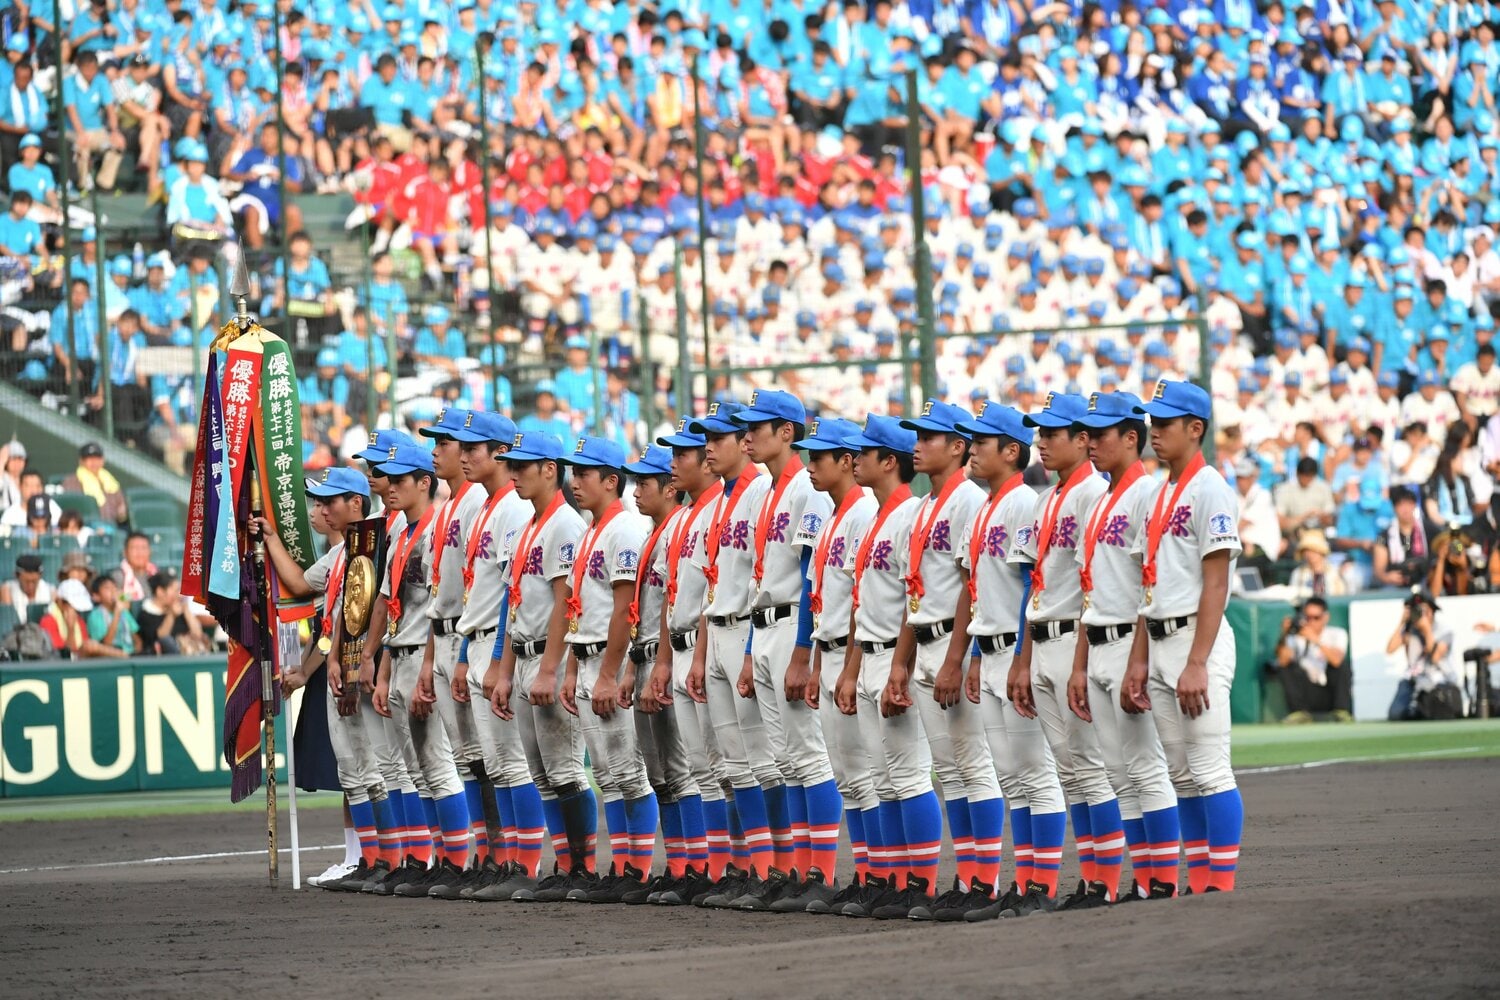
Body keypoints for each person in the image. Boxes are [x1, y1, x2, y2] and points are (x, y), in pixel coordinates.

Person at [947, 401, 1069, 922]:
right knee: (1013, 777)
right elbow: (981, 592)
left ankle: (1041, 885)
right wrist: (975, 653)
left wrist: (1021, 657)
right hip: (990, 650)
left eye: (982, 441)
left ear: (1010, 451)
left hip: (1017, 651)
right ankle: (1023, 884)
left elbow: (1027, 587)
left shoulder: (1023, 502)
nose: (972, 448)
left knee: (1035, 774)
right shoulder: (988, 506)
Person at [1123, 379, 1245, 894]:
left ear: (1196, 429)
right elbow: (1146, 585)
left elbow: (1215, 583)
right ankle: (1200, 884)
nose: (1155, 432)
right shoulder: (1158, 491)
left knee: (1210, 769)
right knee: (1181, 775)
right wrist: (1139, 659)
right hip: (1159, 637)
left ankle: (1221, 885)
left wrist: (1197, 662)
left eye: (1166, 423)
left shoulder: (1210, 486)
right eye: (1153, 422)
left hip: (1199, 639)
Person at [261, 465, 399, 893]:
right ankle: (370, 860)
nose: (320, 509)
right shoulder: (340, 555)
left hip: (374, 670)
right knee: (356, 771)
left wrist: (355, 662)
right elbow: (304, 589)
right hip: (343, 667)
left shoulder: (376, 547)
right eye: (318, 502)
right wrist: (268, 538)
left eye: (328, 501)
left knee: (390, 771)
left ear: (356, 503)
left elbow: (381, 612)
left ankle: (400, 858)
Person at [726, 390, 838, 910]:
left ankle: (821, 874)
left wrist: (801, 651)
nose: (747, 435)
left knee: (808, 756)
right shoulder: (766, 491)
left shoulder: (806, 491)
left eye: (759, 426)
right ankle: (796, 874)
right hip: (764, 626)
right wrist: (750, 648)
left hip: (795, 623)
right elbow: (757, 579)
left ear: (788, 431)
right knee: (785, 761)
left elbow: (813, 575)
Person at [1070, 390, 1182, 902]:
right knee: (1117, 773)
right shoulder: (1100, 499)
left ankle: (1163, 880)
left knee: (1145, 767)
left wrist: (1140, 657)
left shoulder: (1147, 494)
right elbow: (1087, 588)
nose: (1090, 442)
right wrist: (1079, 662)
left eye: (1101, 434)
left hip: (1129, 642)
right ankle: (1143, 880)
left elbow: (1149, 583)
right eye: (1087, 433)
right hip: (1097, 641)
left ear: (1131, 437)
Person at [891, 399, 1000, 919]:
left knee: (975, 769)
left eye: (929, 437)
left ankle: (987, 883)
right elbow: (914, 595)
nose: (918, 444)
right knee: (950, 773)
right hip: (925, 641)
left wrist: (960, 658)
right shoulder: (921, 507)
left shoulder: (968, 502)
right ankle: (968, 878)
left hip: (954, 645)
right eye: (916, 435)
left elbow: (971, 587)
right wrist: (903, 663)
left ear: (958, 447)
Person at [1008, 392, 1112, 911]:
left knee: (1091, 766)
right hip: (1044, 637)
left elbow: (1098, 582)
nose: (1041, 442)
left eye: (1052, 433)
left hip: (1078, 638)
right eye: (1039, 433)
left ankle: (1106, 884)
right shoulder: (1046, 499)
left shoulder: (1096, 493)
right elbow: (1035, 584)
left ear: (1083, 439)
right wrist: (1023, 658)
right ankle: (1091, 881)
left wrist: (1083, 658)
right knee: (1070, 770)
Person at [484, 431, 595, 902]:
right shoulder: (530, 525)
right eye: (512, 465)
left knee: (566, 770)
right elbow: (513, 604)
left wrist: (550, 668)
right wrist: (506, 670)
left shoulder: (565, 524)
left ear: (551, 469)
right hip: (524, 656)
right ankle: (566, 865)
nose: (514, 473)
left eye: (523, 467)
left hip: (550, 659)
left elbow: (564, 603)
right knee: (544, 775)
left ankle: (583, 870)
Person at [831, 413, 935, 920]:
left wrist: (900, 665)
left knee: (909, 777)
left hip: (899, 654)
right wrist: (851, 669)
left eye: (864, 454)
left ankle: (920, 884)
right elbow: (859, 604)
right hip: (869, 653)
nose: (855, 460)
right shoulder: (875, 517)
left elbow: (916, 600)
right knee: (882, 777)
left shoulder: (911, 515)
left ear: (888, 462)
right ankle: (893, 882)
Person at [362, 442, 473, 898]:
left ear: (423, 482)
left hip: (425, 652)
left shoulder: (435, 530)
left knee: (439, 764)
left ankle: (455, 861)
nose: (388, 486)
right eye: (386, 478)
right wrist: (378, 662)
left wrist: (425, 665)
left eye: (399, 479)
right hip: (400, 652)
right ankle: (424, 860)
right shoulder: (401, 534)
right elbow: (389, 606)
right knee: (416, 767)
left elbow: (437, 606)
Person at [452, 411, 550, 903]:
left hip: (500, 641)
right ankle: (502, 859)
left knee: (512, 765)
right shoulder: (489, 506)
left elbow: (515, 597)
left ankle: (522, 864)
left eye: (473, 448)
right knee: (488, 763)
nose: (464, 455)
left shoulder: (512, 508)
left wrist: (496, 660)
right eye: (461, 447)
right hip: (479, 640)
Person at [686, 401, 779, 910]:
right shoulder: (718, 503)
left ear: (744, 441)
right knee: (732, 766)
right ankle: (750, 871)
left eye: (718, 438)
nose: (709, 448)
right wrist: (700, 656)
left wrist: (742, 649)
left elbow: (760, 582)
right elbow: (709, 587)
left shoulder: (763, 492)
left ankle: (772, 871)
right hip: (716, 632)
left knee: (763, 761)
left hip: (749, 632)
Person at [558, 435, 656, 901]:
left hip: (612, 660)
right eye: (574, 473)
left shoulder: (625, 530)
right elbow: (582, 608)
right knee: (609, 774)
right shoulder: (590, 530)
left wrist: (607, 673)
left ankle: (637, 870)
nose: (575, 482)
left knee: (629, 771)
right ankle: (622, 867)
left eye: (585, 474)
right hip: (588, 655)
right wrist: (576, 668)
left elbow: (625, 611)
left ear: (611, 480)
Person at [647, 416, 733, 904]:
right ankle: (710, 869)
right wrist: (664, 660)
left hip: (713, 643)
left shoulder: (723, 507)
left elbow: (710, 592)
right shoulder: (684, 518)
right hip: (683, 648)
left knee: (732, 768)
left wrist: (693, 655)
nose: (674, 462)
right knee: (703, 769)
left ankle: (738, 869)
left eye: (683, 453)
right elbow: (673, 596)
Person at [622, 443, 710, 905]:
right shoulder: (657, 533)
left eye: (645, 483)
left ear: (670, 489)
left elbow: (682, 603)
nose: (637, 491)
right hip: (649, 655)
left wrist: (662, 663)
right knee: (661, 774)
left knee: (683, 770)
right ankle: (680, 867)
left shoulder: (680, 527)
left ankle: (697, 866)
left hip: (671, 654)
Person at [412, 408, 489, 898]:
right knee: (466, 761)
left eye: (445, 441)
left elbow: (481, 590)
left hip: (469, 639)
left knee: (486, 760)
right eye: (436, 441)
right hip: (442, 637)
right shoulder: (451, 505)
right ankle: (475, 858)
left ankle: (496, 859)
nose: (437, 449)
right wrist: (429, 658)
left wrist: (457, 653)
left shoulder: (479, 500)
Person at [1273, 597, 1352, 723]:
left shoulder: (1337, 633)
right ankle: (1299, 712)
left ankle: (1341, 711)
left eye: (1316, 618)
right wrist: (1285, 634)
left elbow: (1337, 660)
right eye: (1307, 617)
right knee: (1286, 667)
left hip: (1330, 690)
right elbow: (1282, 661)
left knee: (1342, 666)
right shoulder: (1295, 636)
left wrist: (1315, 639)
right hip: (1308, 692)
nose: (1311, 622)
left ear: (1325, 617)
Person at [1386, 591, 1461, 721]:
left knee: (1435, 714)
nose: (1420, 614)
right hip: (1414, 681)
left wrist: (1426, 631)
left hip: (1439, 681)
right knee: (1396, 714)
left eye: (1424, 610)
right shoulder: (1409, 629)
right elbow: (1390, 649)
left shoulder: (1444, 630)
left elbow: (1435, 657)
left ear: (1432, 611)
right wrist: (1402, 622)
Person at [38, 578, 124, 658]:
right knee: (90, 646)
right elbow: (65, 656)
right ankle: (123, 655)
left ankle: (123, 656)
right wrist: (70, 629)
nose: (74, 611)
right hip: (62, 665)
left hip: (83, 661)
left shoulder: (79, 621)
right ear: (60, 602)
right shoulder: (48, 621)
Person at [136, 569, 210, 655]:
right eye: (175, 590)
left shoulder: (180, 610)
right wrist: (171, 616)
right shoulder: (145, 614)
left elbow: (198, 634)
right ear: (160, 591)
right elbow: (161, 638)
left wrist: (186, 610)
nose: (179, 594)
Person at [1373, 486, 1430, 590]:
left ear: (1414, 505)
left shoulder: (1428, 529)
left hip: (1425, 580)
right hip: (1395, 584)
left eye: (1409, 504)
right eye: (1400, 505)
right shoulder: (1383, 536)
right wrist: (1386, 577)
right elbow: (1378, 570)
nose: (1405, 509)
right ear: (1394, 508)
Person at [62, 441, 128, 525]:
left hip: (113, 525)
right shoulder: (72, 481)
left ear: (103, 460)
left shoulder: (109, 480)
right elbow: (72, 508)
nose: (94, 462)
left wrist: (122, 512)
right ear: (81, 461)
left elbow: (121, 504)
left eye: (97, 458)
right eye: (89, 459)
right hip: (86, 525)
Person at [85, 573, 140, 656]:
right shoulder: (95, 615)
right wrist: (117, 613)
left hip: (130, 655)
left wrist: (135, 653)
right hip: (110, 657)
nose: (113, 591)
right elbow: (106, 644)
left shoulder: (124, 612)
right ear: (96, 596)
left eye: (114, 587)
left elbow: (137, 640)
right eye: (107, 588)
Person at [1287, 531, 1348, 600]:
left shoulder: (1334, 572)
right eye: (1306, 551)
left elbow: (1340, 595)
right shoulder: (1298, 573)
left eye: (1313, 550)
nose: (1309, 554)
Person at [2, 553, 52, 620]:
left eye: (34, 582)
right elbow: (9, 620)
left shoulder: (50, 591)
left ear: (40, 577)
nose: (30, 586)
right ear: (17, 576)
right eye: (26, 582)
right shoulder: (7, 590)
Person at [118, 531, 157, 603]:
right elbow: (117, 598)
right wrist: (130, 596)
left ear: (150, 552)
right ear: (125, 553)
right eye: (135, 548)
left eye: (144, 548)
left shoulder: (156, 574)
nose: (140, 552)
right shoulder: (118, 576)